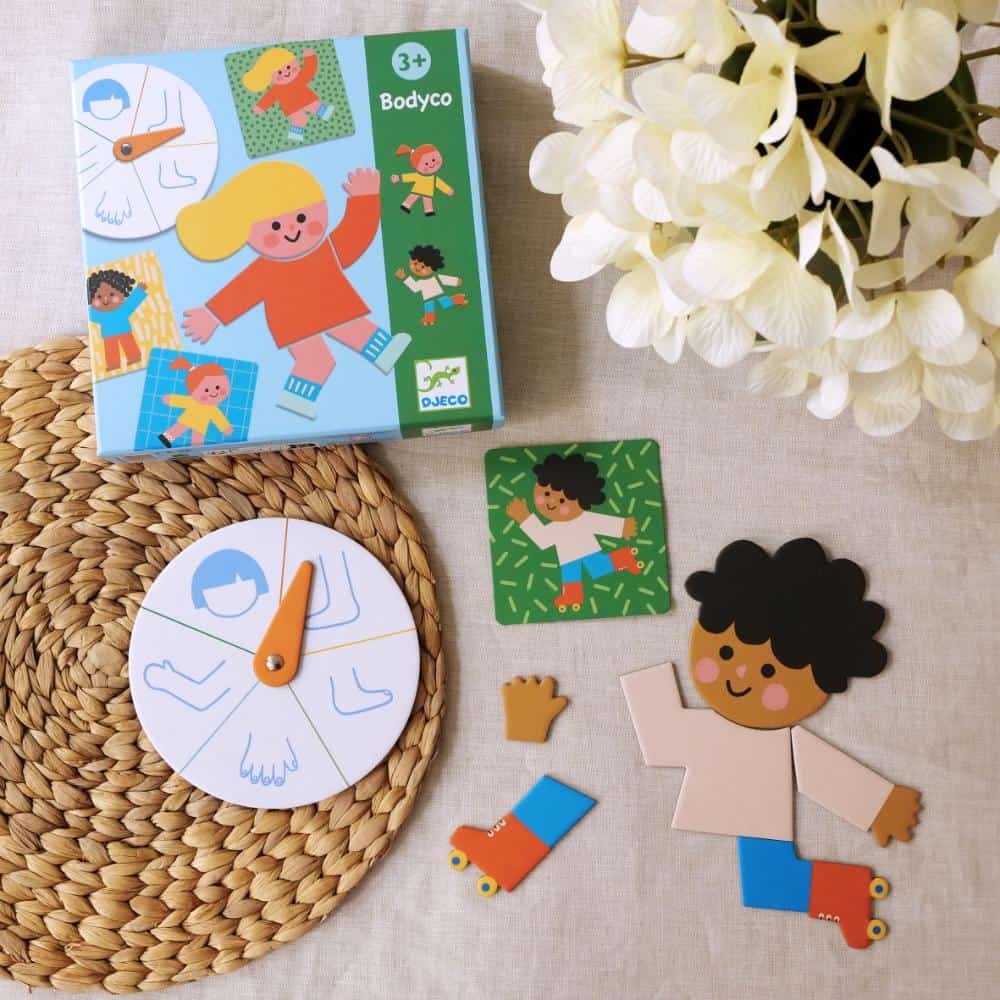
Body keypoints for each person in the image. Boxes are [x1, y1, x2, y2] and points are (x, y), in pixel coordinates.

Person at [621, 538, 923, 949]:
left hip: (757, 811)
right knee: (767, 883)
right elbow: (660, 736)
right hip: (744, 809)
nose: (740, 676)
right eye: (726, 652)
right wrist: (642, 680)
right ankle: (851, 892)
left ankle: (851, 892)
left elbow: (818, 770)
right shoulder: (713, 729)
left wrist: (879, 804)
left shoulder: (778, 742)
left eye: (768, 671)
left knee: (767, 884)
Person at [176, 161, 410, 420]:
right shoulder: (265, 269)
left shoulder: (326, 250)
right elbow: (240, 292)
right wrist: (211, 315)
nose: (292, 229)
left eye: (301, 218)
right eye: (275, 226)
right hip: (294, 319)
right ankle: (296, 399)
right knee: (317, 360)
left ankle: (384, 353)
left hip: (331, 306)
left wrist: (365, 199)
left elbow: (355, 234)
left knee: (355, 329)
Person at [505, 453, 641, 611]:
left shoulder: (584, 518)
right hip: (567, 556)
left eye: (562, 500)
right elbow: (542, 539)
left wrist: (623, 527)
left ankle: (624, 557)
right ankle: (572, 595)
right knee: (570, 574)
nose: (551, 502)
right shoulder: (555, 527)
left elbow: (601, 523)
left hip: (587, 549)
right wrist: (524, 517)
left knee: (598, 567)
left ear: (582, 500)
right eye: (547, 494)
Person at [243, 46, 334, 143]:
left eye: (288, 67)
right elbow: (268, 98)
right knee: (300, 119)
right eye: (279, 72)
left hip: (306, 99)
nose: (286, 72)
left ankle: (328, 115)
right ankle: (295, 136)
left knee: (315, 106)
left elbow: (309, 70)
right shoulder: (276, 89)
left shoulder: (300, 77)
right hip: (291, 106)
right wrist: (260, 107)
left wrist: (310, 57)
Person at [159, 356, 233, 448]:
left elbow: (218, 418)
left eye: (217, 387)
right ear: (193, 392)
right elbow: (181, 400)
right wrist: (170, 399)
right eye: (206, 390)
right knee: (178, 428)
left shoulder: (213, 409)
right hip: (188, 419)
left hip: (200, 424)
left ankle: (195, 448)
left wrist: (225, 428)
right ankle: (166, 438)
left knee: (197, 437)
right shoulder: (194, 401)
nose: (214, 393)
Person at [87, 269, 148, 372]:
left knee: (129, 344)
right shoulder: (97, 314)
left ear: (122, 292)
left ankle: (134, 357)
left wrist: (139, 290)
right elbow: (89, 314)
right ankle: (113, 364)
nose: (105, 299)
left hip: (124, 330)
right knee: (111, 349)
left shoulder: (123, 309)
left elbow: (132, 302)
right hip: (108, 334)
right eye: (99, 296)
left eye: (111, 294)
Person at [395, 244, 469, 325]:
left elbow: (446, 279)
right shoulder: (420, 282)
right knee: (429, 308)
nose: (418, 268)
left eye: (423, 267)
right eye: (415, 263)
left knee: (446, 303)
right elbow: (414, 287)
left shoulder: (437, 277)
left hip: (439, 295)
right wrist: (404, 278)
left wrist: (456, 281)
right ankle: (430, 318)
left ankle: (458, 299)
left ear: (433, 268)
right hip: (428, 298)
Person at [390, 143, 454, 216]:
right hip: (418, 189)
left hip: (428, 191)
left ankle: (429, 211)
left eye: (433, 160)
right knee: (413, 196)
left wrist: (448, 190)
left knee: (427, 200)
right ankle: (406, 205)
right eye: (426, 164)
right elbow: (409, 177)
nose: (431, 164)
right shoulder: (418, 176)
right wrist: (399, 178)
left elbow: (440, 184)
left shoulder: (434, 178)